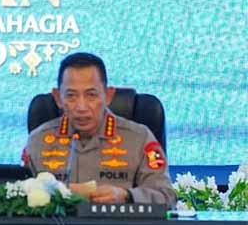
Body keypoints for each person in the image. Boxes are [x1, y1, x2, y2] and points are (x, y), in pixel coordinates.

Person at [26, 52, 176, 205]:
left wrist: (127, 196)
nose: (81, 107)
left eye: (91, 95)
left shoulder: (139, 138)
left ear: (108, 95)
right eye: (71, 96)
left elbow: (167, 197)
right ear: (58, 97)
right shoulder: (38, 140)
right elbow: (17, 194)